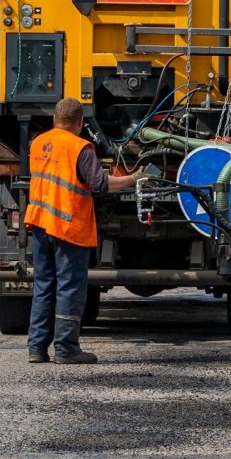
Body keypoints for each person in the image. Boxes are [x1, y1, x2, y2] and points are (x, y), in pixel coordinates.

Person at [24, 98, 140, 365]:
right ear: (79, 123)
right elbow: (99, 185)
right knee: (69, 288)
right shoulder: (80, 148)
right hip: (67, 227)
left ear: (55, 120)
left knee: (44, 286)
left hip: (40, 224)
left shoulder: (39, 143)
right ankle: (65, 348)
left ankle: (37, 348)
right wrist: (133, 179)